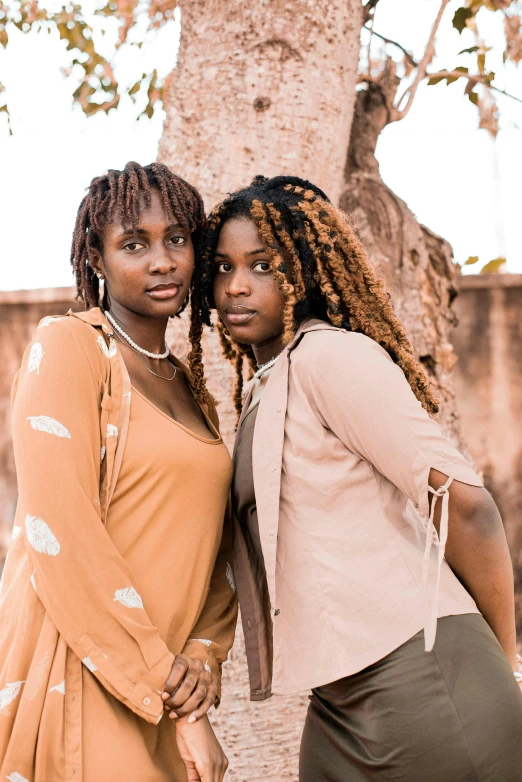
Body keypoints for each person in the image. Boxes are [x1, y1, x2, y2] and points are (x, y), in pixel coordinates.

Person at [191, 174, 522, 781]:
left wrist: (503, 666)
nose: (235, 285)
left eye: (262, 265)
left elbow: (468, 508)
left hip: (424, 678)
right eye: (221, 266)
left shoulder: (330, 357)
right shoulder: (273, 381)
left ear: (306, 272)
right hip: (342, 701)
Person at [0, 161, 236, 782]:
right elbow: (65, 536)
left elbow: (217, 554)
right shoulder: (72, 348)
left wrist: (197, 667)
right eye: (134, 244)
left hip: (168, 695)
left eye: (176, 239)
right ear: (96, 260)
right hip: (82, 679)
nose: (162, 261)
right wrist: (174, 694)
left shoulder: (189, 388)